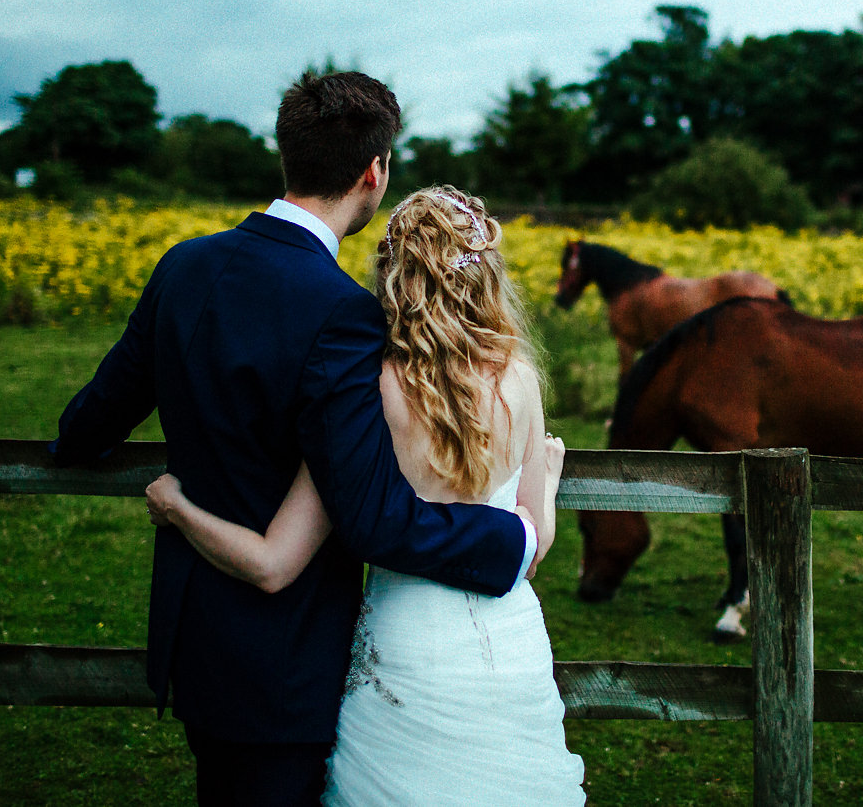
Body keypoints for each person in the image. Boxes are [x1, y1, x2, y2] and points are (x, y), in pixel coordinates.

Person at [49, 72, 536, 807]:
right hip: (287, 657)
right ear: (374, 173)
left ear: (287, 156)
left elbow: (86, 427)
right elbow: (371, 517)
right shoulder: (343, 312)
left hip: (194, 636)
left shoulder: (184, 266)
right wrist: (517, 538)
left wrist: (167, 485)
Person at [145, 186, 586, 806]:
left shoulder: (372, 390)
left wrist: (179, 508)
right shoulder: (520, 378)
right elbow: (533, 546)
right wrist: (552, 477)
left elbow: (274, 562)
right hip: (508, 649)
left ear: (394, 275)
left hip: (408, 648)